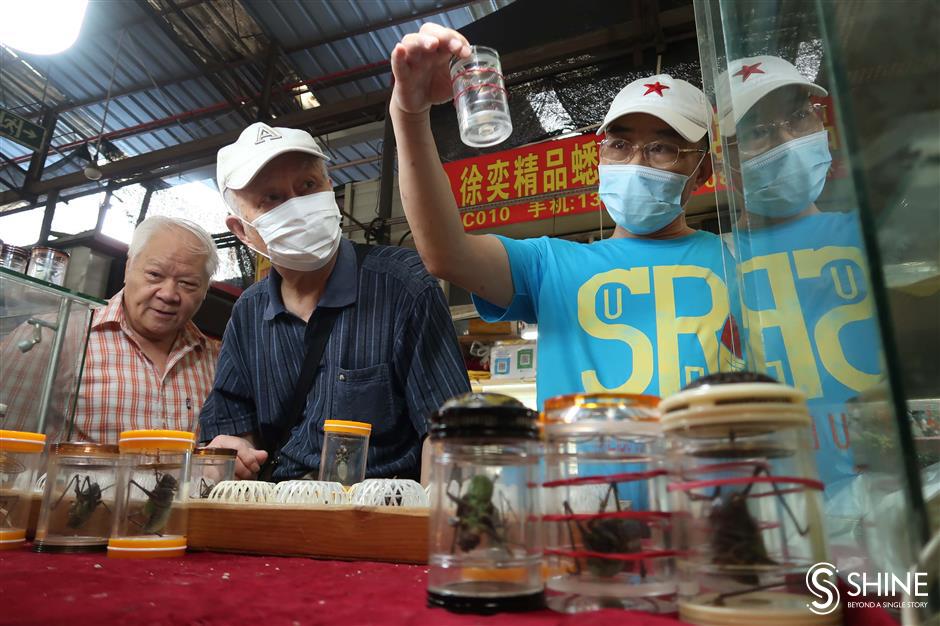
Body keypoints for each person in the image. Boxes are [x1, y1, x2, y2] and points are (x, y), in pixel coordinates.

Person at [389, 24, 741, 411]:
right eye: (620, 145)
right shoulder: (550, 265)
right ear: (601, 158)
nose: (636, 162)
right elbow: (445, 252)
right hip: (576, 472)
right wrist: (409, 114)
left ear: (703, 172)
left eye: (663, 148)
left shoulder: (740, 261)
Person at [199, 122, 469, 482]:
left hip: (378, 518)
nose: (296, 206)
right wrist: (232, 450)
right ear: (241, 230)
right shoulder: (248, 314)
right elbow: (232, 427)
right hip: (276, 513)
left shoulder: (403, 287)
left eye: (308, 185)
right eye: (272, 198)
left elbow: (448, 436)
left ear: (330, 188)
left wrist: (430, 529)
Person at [718, 56, 883, 537]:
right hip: (770, 519)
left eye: (797, 117)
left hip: (896, 497)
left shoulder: (876, 238)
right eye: (757, 132)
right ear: (727, 158)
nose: (787, 140)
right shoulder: (712, 262)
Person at [0, 216, 221, 443]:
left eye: (188, 283)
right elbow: (8, 448)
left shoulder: (215, 361)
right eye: (155, 275)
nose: (168, 294)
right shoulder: (50, 335)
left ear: (205, 290)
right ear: (128, 267)